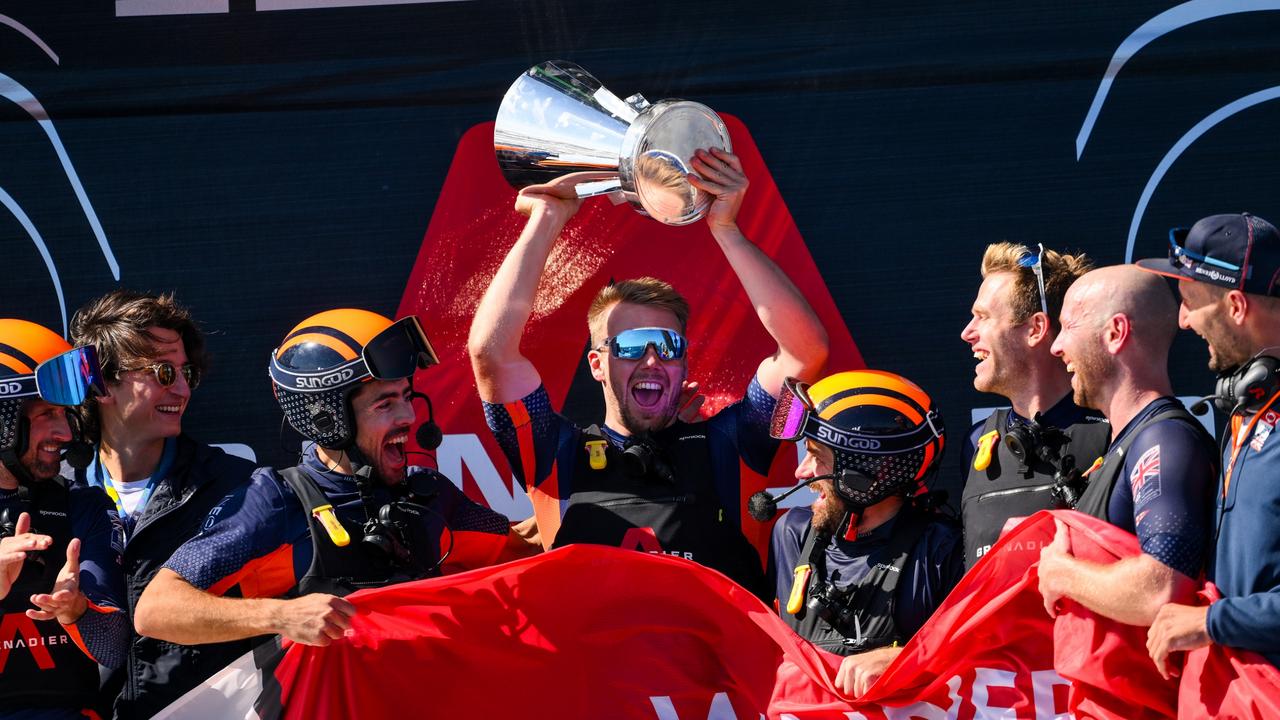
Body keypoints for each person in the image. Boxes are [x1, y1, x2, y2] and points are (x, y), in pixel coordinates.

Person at [468, 148, 828, 597]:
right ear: (597, 363)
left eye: (669, 345)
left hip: (715, 668)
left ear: (684, 362)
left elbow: (804, 353)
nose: (653, 360)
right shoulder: (553, 454)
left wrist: (726, 228)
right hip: (596, 668)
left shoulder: (735, 446)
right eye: (632, 347)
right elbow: (491, 354)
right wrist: (547, 216)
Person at [134, 310, 535, 654]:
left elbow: (528, 560)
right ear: (327, 419)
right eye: (385, 403)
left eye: (407, 396)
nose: (409, 417)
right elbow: (157, 609)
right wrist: (282, 615)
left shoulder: (431, 494)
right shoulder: (276, 501)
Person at [67, 290, 258, 720]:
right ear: (100, 384)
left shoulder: (234, 485)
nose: (185, 389)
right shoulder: (59, 496)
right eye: (163, 372)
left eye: (186, 371)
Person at [1137, 212, 1280, 674]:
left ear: (1236, 306)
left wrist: (1212, 622)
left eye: (1190, 302)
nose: (1182, 321)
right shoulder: (1249, 407)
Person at [1037, 266, 1218, 625]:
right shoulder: (1131, 442)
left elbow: (1163, 587)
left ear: (1116, 333)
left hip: (1152, 682)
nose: (1056, 346)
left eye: (1068, 326)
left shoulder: (1164, 439)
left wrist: (1063, 573)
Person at [766, 370, 960, 698]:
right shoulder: (792, 534)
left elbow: (984, 663)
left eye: (816, 456)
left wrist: (911, 660)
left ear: (867, 472)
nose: (802, 472)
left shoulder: (939, 550)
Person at [0, 319, 125, 718]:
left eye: (65, 414)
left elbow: (114, 648)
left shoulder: (84, 507)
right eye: (46, 414)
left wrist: (76, 610)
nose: (66, 433)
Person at [959, 242, 1108, 568]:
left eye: (982, 317)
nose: (967, 333)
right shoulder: (976, 444)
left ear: (1036, 328)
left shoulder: (1113, 434)